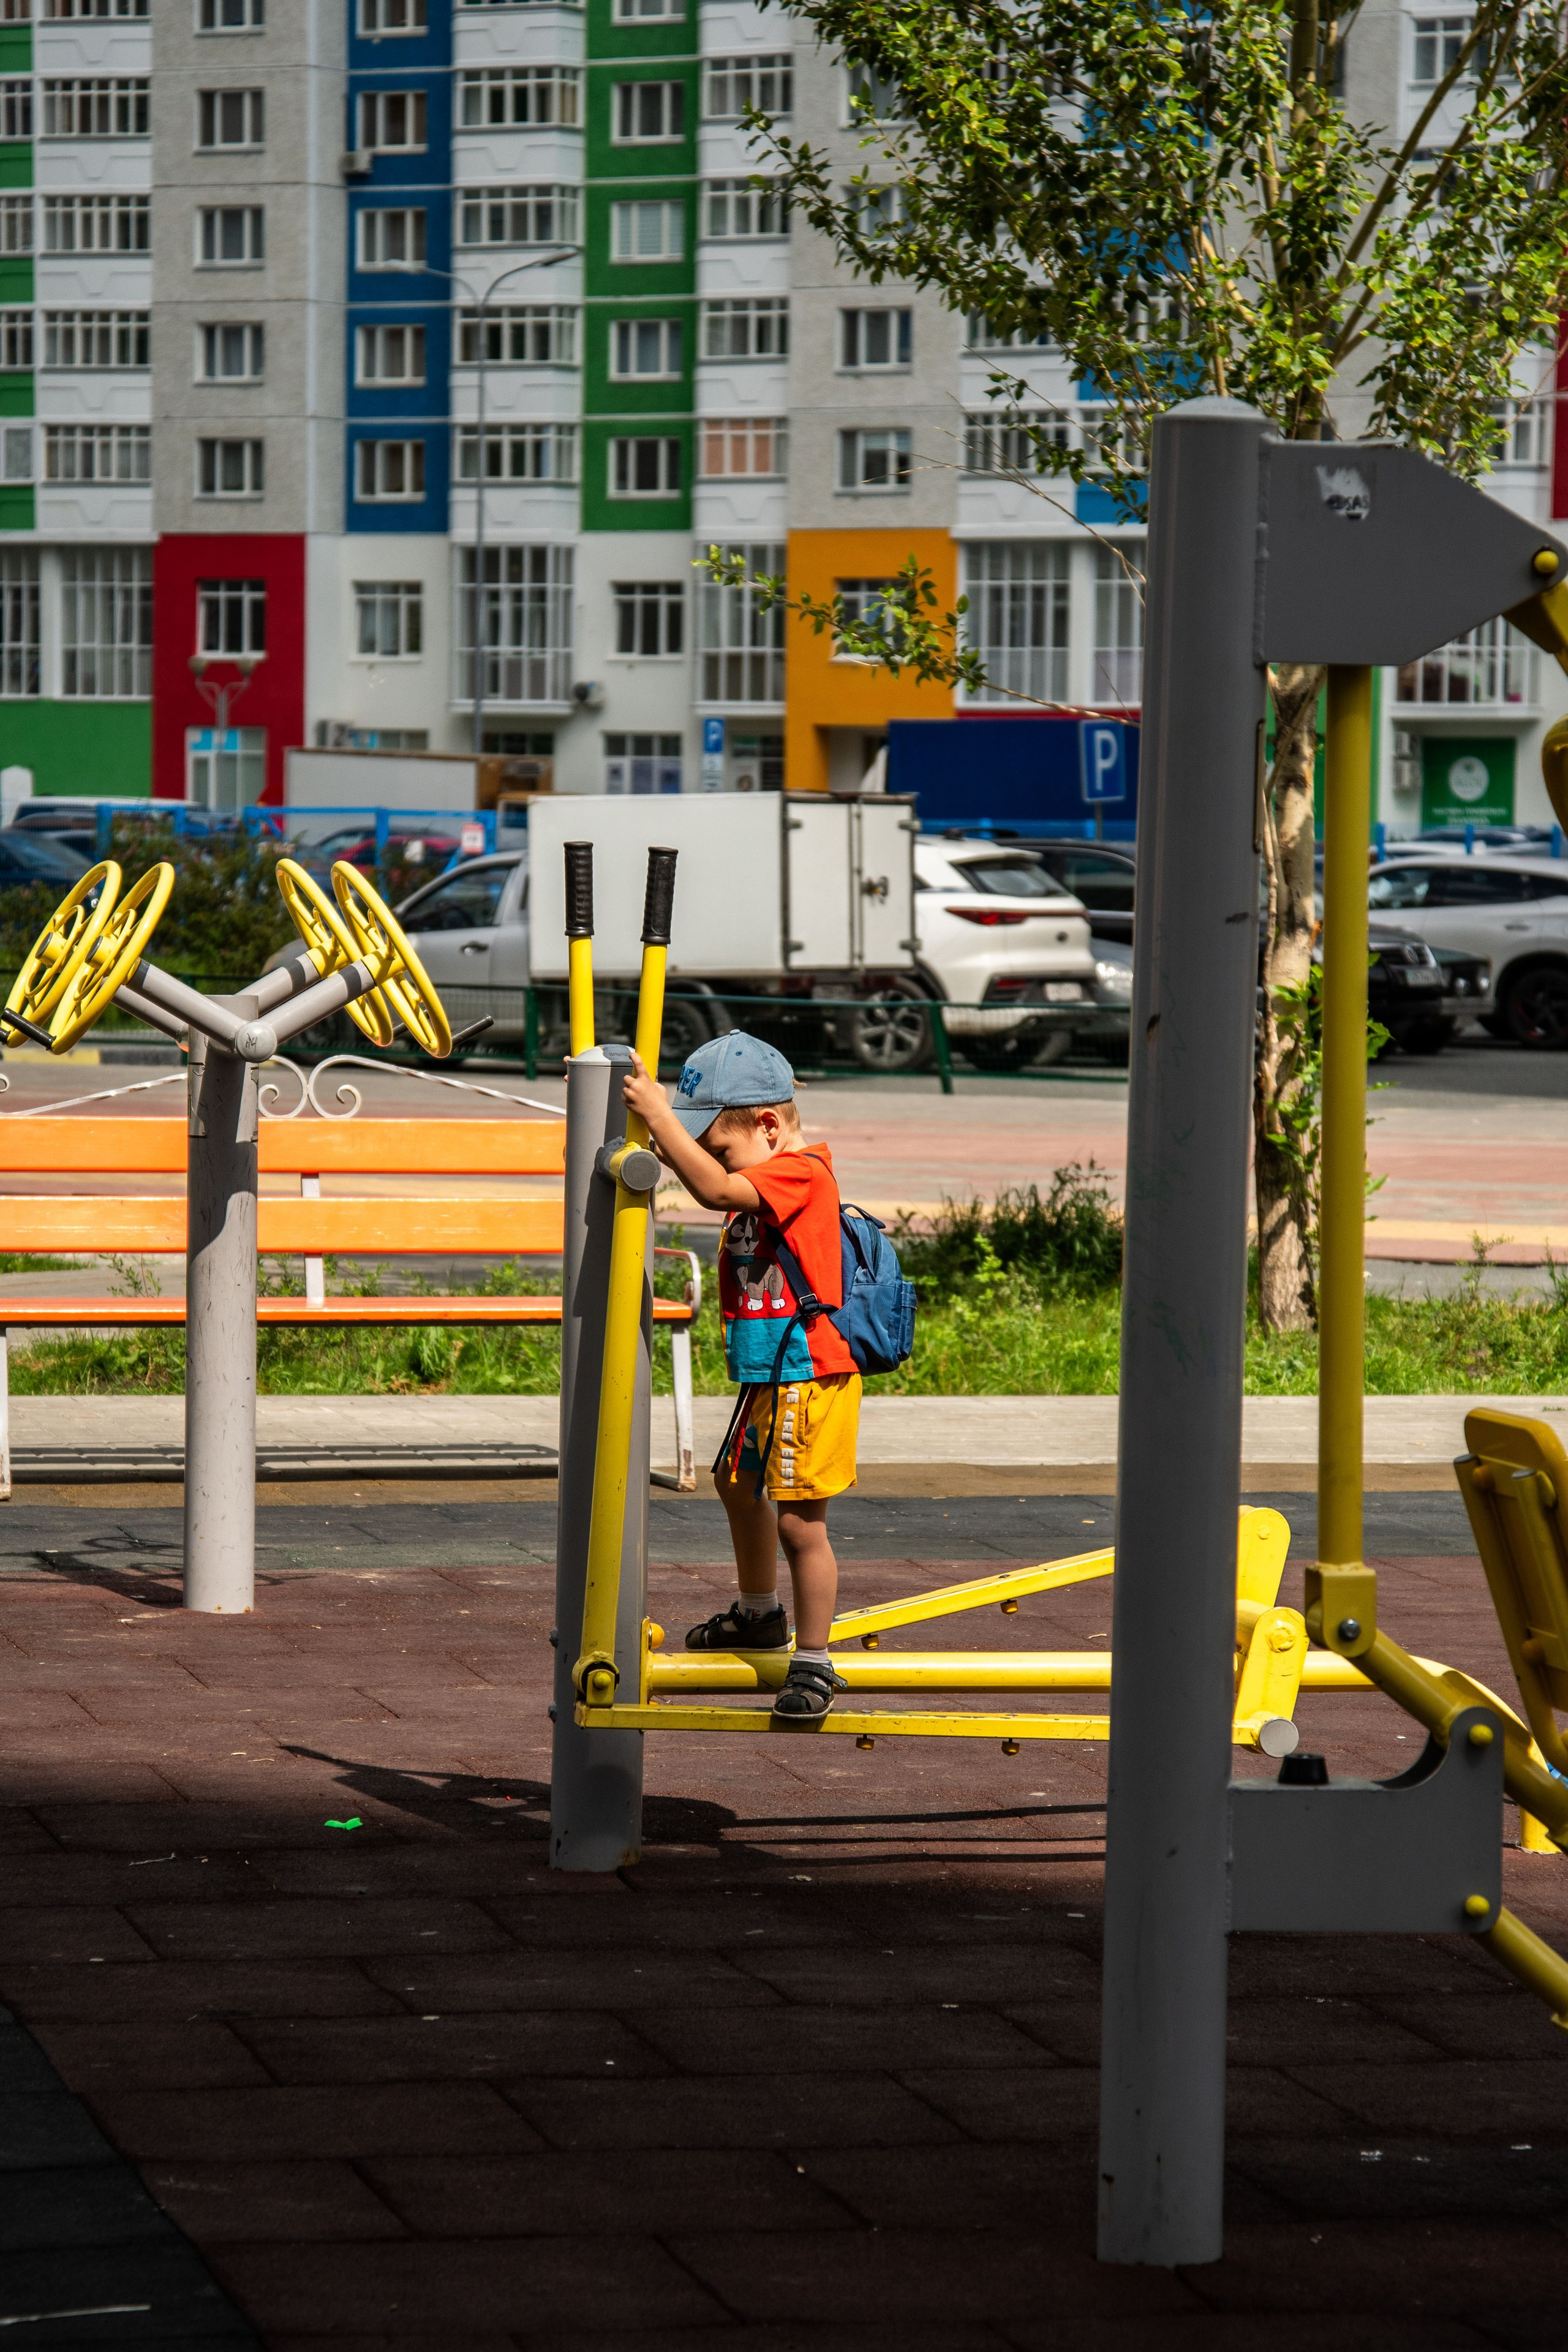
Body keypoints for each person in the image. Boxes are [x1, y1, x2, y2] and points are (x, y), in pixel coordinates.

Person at [620, 1030, 858, 1721]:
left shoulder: (800, 1171)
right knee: (735, 1482)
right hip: (770, 1374)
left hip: (808, 1375)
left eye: (718, 1142)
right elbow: (704, 1166)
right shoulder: (765, 1160)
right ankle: (760, 1613)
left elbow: (713, 1186)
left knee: (799, 1524)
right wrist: (651, 1120)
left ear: (768, 1126)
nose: (714, 1159)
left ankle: (813, 1661)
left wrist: (664, 1118)